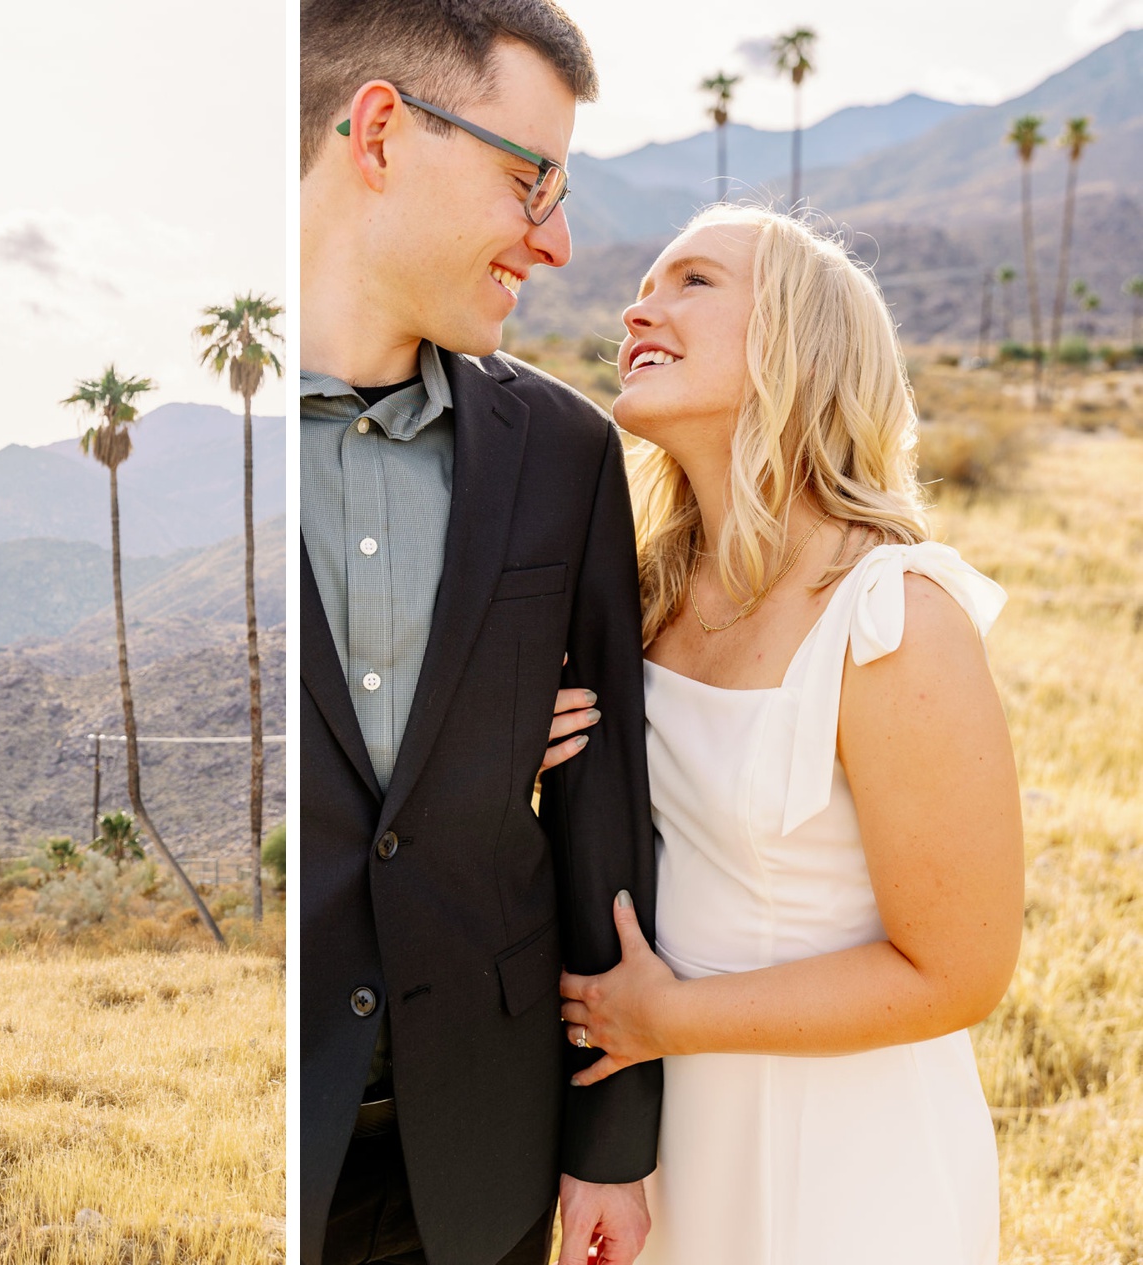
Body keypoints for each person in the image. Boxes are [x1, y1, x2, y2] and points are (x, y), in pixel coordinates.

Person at [555, 205, 1024, 1264]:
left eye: (693, 282)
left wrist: (667, 1020)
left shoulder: (891, 615)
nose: (640, 306)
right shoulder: (640, 598)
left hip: (850, 1160)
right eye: (645, 281)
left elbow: (956, 971)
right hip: (674, 1141)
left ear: (796, 344)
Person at [300, 2, 660, 1262]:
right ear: (382, 133)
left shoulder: (565, 453)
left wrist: (609, 1140)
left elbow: (600, 805)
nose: (553, 242)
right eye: (528, 182)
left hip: (476, 1160)